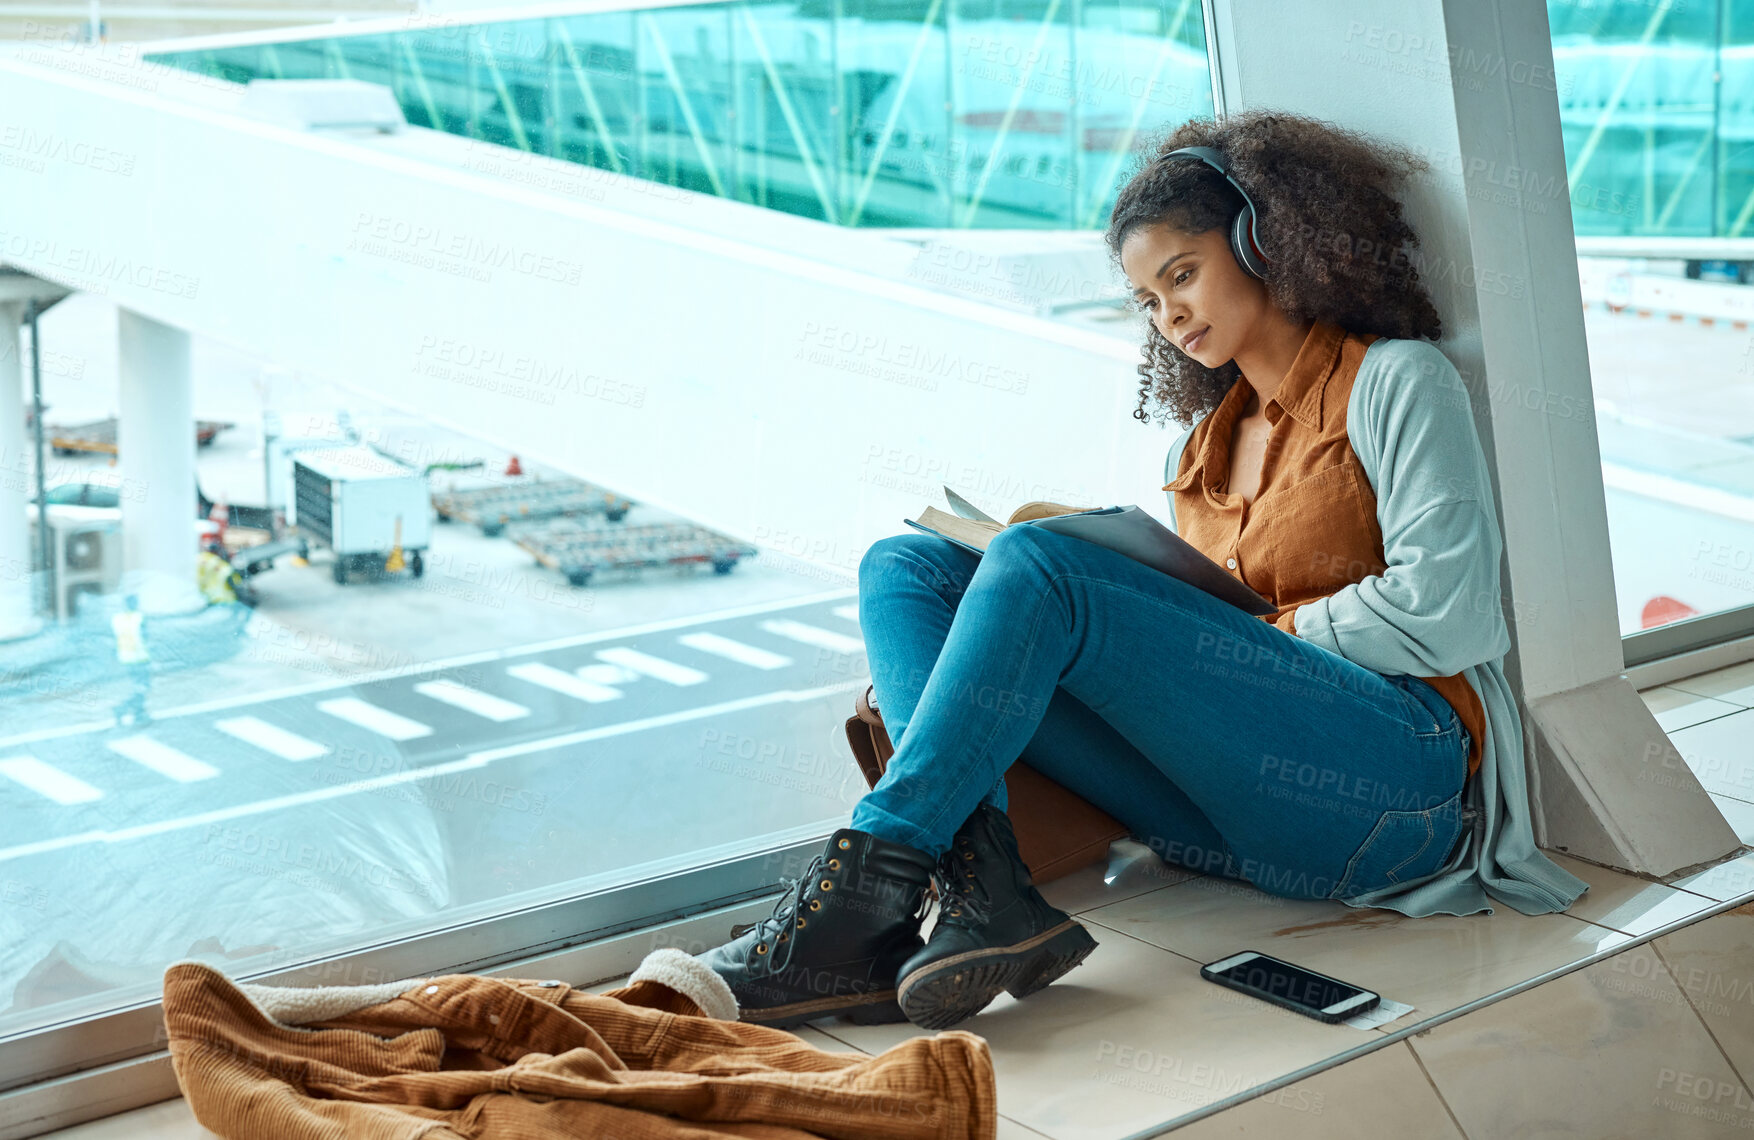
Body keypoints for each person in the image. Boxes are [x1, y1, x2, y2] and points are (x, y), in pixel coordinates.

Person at [696, 109, 1587, 1033]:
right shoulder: (1196, 453)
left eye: (1184, 274)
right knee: (911, 563)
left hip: (1393, 791)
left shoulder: (1397, 383)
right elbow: (1200, 683)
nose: (1172, 316)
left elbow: (1450, 610)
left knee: (1041, 563)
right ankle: (983, 883)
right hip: (1228, 824)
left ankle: (861, 892)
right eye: (1150, 301)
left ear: (1264, 240)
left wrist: (1262, 640)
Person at [112, 593, 152, 727]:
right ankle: (123, 709)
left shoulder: (117, 619)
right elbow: (145, 637)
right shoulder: (139, 617)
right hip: (140, 657)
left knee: (138, 687)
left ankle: (138, 713)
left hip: (125, 657)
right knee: (143, 687)